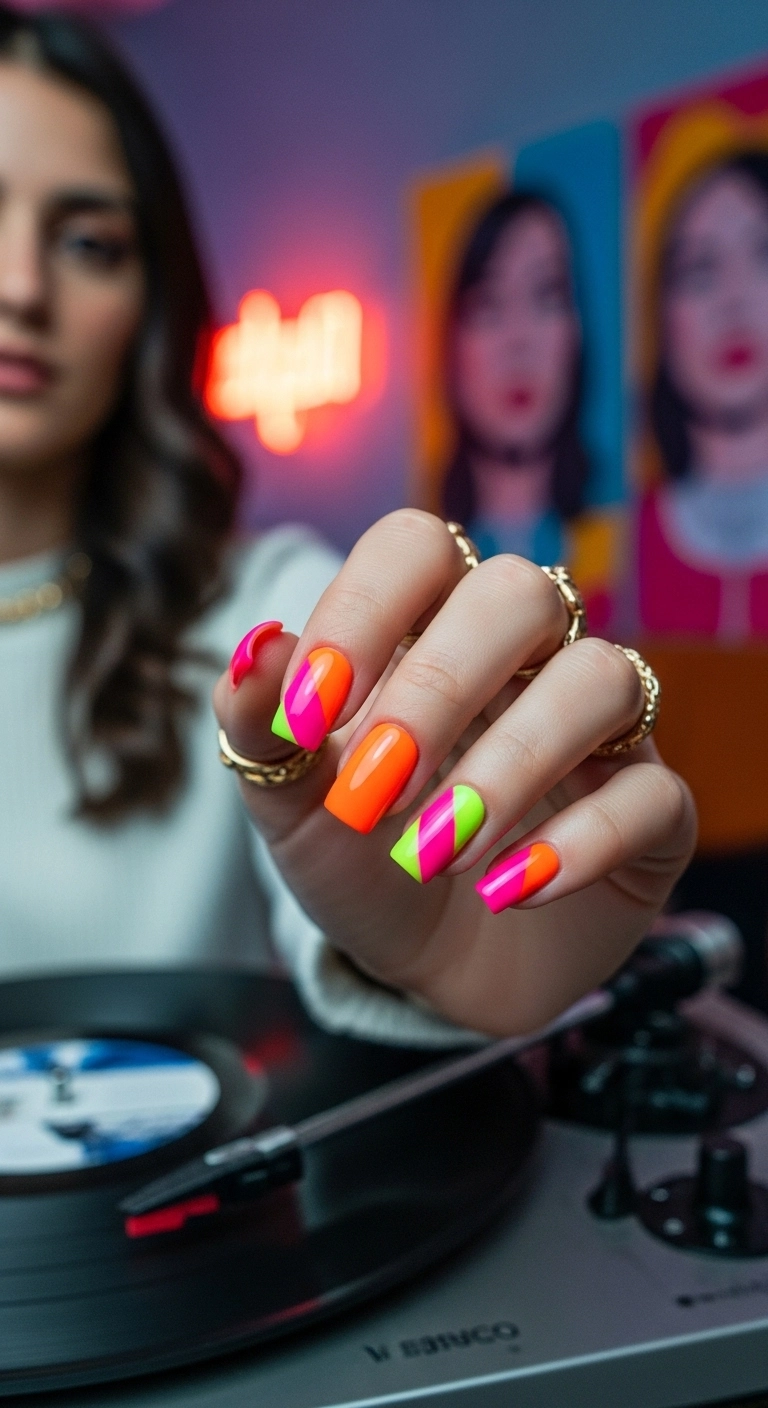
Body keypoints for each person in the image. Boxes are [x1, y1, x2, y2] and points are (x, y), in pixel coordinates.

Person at [0, 7, 695, 1048]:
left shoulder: (265, 617)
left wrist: (450, 961)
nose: (19, 289)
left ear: (149, 304)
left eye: (90, 242)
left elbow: (371, 812)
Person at [636, 152, 768, 1008]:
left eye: (761, 256)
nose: (732, 298)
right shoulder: (626, 541)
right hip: (673, 911)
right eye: (699, 270)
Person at [442, 190, 589, 568]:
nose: (518, 340)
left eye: (546, 296)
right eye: (488, 305)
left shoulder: (623, 544)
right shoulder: (435, 560)